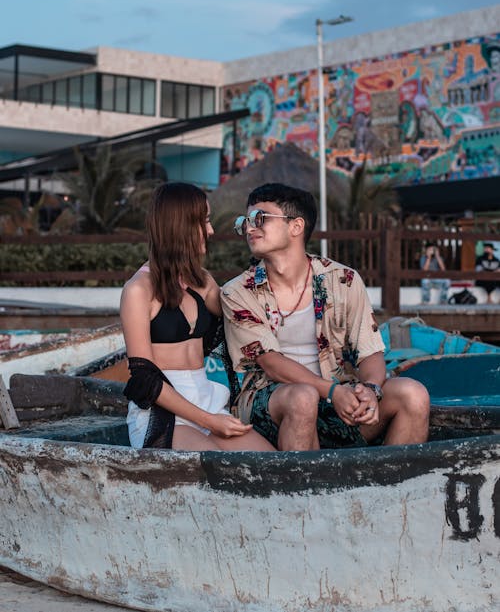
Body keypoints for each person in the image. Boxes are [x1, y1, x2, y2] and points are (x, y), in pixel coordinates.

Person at [221, 183, 429, 451]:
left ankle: (392, 489)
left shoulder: (344, 280)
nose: (249, 228)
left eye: (260, 219)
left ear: (296, 226)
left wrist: (371, 390)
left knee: (413, 394)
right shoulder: (238, 292)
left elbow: (370, 352)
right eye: (245, 221)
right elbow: (271, 363)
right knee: (303, 398)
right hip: (272, 403)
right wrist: (331, 392)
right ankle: (303, 489)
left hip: (338, 397)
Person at [120, 181, 274, 452]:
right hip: (164, 413)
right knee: (216, 469)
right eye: (204, 221)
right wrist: (209, 422)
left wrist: (271, 257)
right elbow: (143, 379)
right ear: (180, 225)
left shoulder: (202, 280)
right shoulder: (138, 290)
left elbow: (237, 311)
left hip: (208, 400)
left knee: (270, 463)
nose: (211, 230)